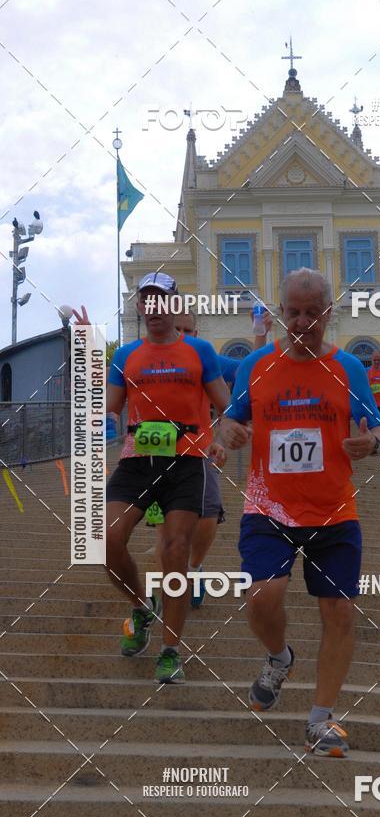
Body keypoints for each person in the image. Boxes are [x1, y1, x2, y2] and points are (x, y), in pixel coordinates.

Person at [219, 268, 380, 757]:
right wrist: (227, 433)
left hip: (334, 511)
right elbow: (230, 419)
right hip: (268, 507)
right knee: (262, 598)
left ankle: (320, 719)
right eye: (293, 312)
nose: (302, 321)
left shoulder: (348, 370)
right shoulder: (255, 365)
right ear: (280, 313)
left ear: (328, 314)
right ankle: (278, 658)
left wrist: (370, 444)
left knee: (339, 612)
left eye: (313, 313)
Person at [104, 272, 230, 684]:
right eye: (147, 300)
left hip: (186, 461)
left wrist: (225, 436)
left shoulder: (199, 351)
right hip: (139, 460)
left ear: (175, 306)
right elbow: (111, 409)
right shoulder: (125, 355)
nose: (154, 308)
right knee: (106, 541)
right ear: (139, 307)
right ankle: (143, 607)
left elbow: (224, 405)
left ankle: (170, 649)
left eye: (162, 300)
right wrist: (100, 420)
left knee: (175, 551)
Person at [147, 308, 272, 608]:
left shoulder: (205, 358)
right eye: (178, 329)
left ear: (197, 334)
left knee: (209, 515)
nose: (184, 336)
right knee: (164, 531)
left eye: (189, 330)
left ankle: (194, 567)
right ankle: (166, 586)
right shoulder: (147, 358)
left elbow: (248, 370)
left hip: (200, 452)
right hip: (157, 456)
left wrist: (260, 332)